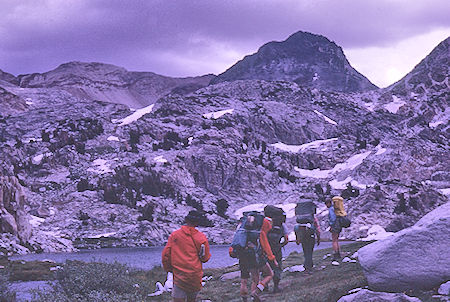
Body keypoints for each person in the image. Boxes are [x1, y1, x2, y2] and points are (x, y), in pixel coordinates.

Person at [162, 210, 211, 302]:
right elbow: (205, 258)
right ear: (197, 222)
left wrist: (168, 269)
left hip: (179, 275)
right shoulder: (201, 237)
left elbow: (166, 255)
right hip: (195, 275)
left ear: (186, 220)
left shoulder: (175, 235)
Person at [230, 212, 278, 302]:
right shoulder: (259, 232)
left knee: (244, 281)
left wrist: (233, 253)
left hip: (242, 255)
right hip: (254, 256)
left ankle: (246, 299)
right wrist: (272, 259)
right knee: (268, 275)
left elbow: (234, 245)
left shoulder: (242, 230)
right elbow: (266, 246)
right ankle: (256, 292)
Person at [264, 207, 289, 293]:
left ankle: (265, 286)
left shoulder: (265, 223)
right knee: (277, 267)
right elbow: (286, 239)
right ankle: (276, 287)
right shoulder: (281, 224)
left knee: (265, 266)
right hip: (277, 249)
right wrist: (281, 245)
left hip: (265, 249)